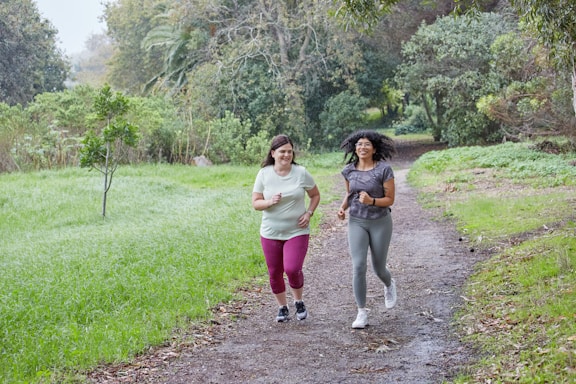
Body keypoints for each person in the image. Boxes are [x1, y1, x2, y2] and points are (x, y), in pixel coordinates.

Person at [252, 134, 320, 322]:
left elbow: (315, 195)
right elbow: (256, 203)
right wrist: (269, 202)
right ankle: (282, 307)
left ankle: (298, 301)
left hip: (297, 230)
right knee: (274, 272)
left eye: (289, 151)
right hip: (270, 232)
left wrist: (309, 213)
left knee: (292, 268)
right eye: (282, 151)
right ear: (273, 153)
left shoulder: (301, 172)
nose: (286, 155)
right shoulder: (264, 174)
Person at [337, 130, 397, 329]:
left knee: (378, 268)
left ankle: (389, 284)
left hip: (380, 221)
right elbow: (350, 193)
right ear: (355, 148)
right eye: (359, 144)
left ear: (374, 149)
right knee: (358, 266)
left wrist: (371, 200)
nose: (362, 147)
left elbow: (390, 200)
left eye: (367, 144)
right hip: (357, 221)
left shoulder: (383, 170)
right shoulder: (348, 171)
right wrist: (342, 208)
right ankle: (361, 312)